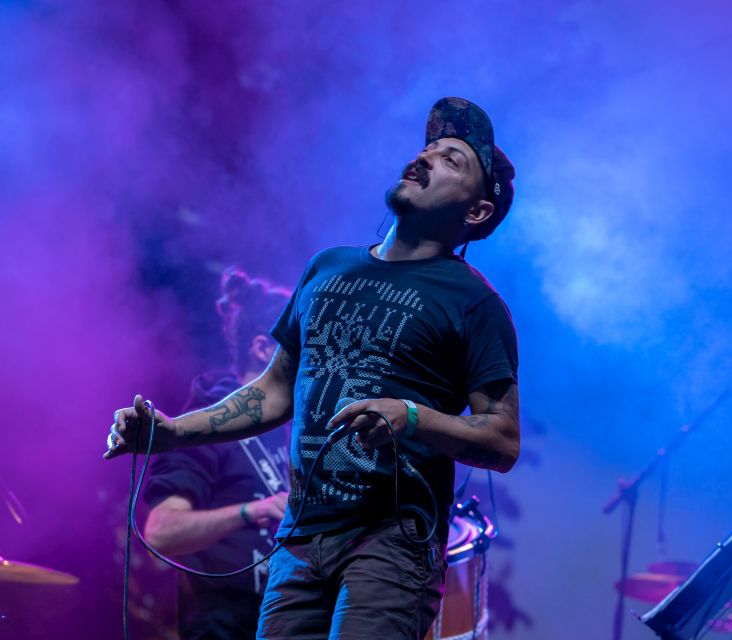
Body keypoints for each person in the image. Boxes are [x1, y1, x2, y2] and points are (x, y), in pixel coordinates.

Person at [107, 96, 520, 640]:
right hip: (299, 541)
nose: (423, 158)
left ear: (477, 211)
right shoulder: (327, 268)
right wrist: (173, 433)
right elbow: (275, 390)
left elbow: (503, 440)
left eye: (450, 159)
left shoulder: (474, 303)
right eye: (427, 149)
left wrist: (412, 417)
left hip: (392, 543)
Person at [142, 269, 291, 639]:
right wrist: (252, 511)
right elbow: (161, 532)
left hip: (284, 621)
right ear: (262, 348)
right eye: (300, 348)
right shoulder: (207, 423)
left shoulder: (290, 427)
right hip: (225, 625)